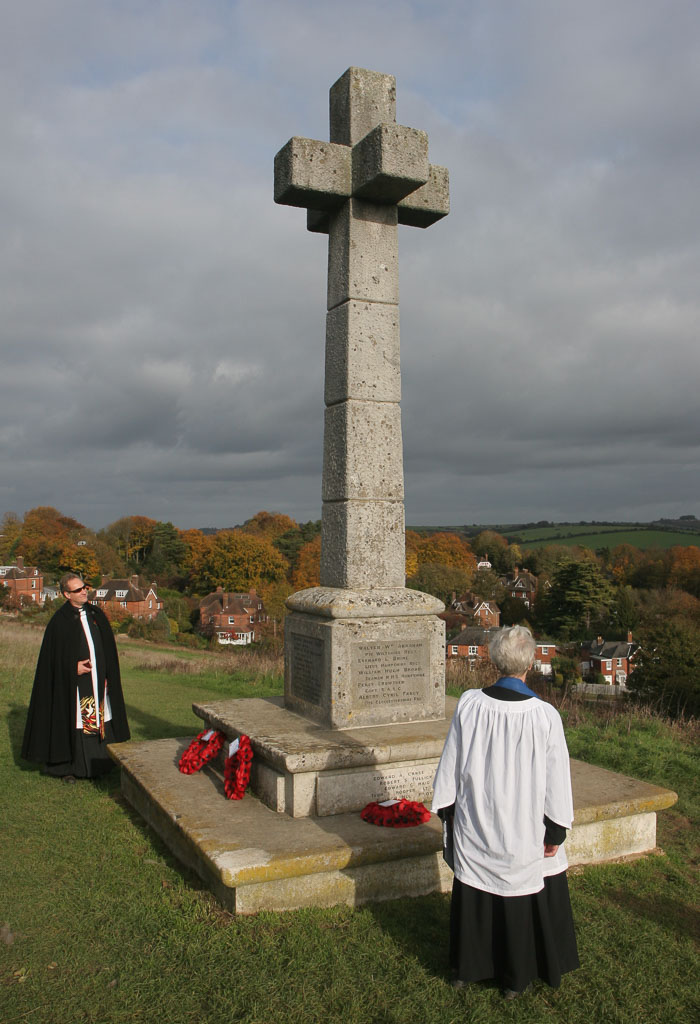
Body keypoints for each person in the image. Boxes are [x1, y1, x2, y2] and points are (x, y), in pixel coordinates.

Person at [432, 625, 579, 998]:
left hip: (478, 821)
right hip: (524, 827)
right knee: (521, 883)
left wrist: (448, 809)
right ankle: (515, 977)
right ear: (530, 662)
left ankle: (468, 967)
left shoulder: (469, 703)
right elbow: (556, 780)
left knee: (477, 884)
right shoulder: (544, 716)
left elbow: (451, 763)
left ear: (495, 660)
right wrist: (555, 830)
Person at [21, 572, 130, 781]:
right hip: (75, 684)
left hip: (98, 681)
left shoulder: (95, 614)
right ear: (66, 594)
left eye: (84, 587)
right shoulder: (59, 622)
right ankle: (73, 767)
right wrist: (72, 667)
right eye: (78, 590)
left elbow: (107, 650)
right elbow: (50, 660)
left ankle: (98, 766)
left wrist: (108, 675)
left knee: (97, 721)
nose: (84, 592)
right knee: (81, 721)